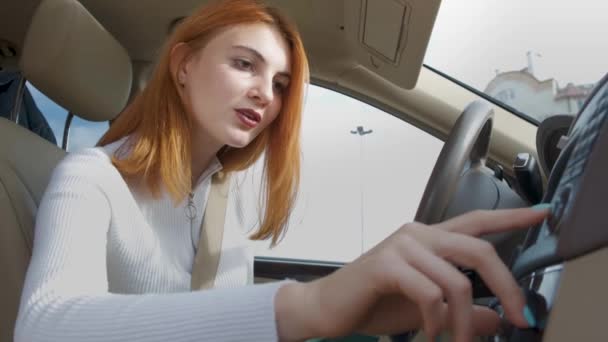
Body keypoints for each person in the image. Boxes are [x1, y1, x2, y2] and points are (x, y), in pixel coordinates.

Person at [14, 0, 550, 341]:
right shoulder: (88, 179)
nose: (263, 94)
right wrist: (310, 303)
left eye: (280, 83)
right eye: (244, 64)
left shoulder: (227, 195)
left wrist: (370, 306)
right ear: (183, 67)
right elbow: (45, 325)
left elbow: (222, 321)